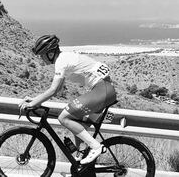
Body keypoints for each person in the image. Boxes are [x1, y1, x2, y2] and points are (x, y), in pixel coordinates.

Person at [19, 35, 116, 165]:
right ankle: (81, 158)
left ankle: (96, 147)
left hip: (101, 91)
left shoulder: (61, 61)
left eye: (42, 55)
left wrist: (32, 104)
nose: (41, 59)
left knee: (63, 118)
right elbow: (57, 89)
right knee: (75, 121)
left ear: (51, 53)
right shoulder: (66, 57)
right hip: (104, 90)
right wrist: (35, 100)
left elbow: (53, 90)